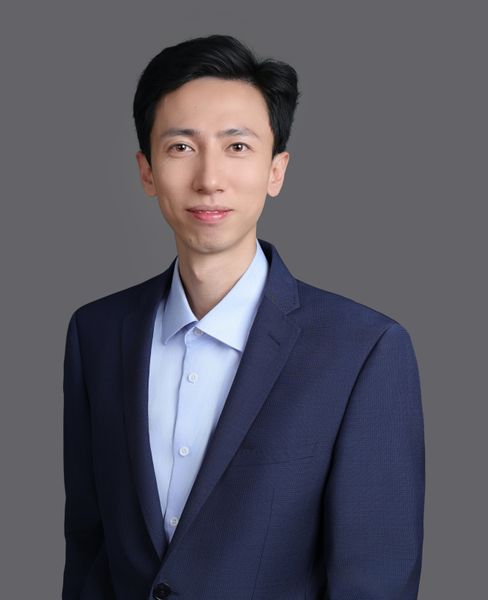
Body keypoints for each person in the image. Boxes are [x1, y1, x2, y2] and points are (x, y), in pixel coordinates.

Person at [62, 34, 425, 600]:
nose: (209, 178)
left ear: (276, 170)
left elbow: (374, 581)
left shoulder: (364, 350)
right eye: (181, 146)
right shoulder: (97, 334)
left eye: (237, 146)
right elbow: (89, 554)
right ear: (147, 171)